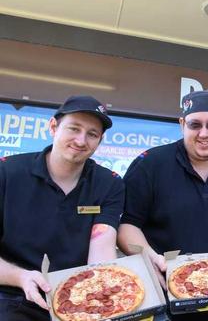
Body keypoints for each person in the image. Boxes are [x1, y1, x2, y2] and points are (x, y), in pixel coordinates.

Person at [117, 90, 208, 321]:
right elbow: (127, 226)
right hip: (163, 297)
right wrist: (151, 258)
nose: (204, 134)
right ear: (182, 124)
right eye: (195, 124)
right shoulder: (149, 164)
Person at [0, 95, 124, 320]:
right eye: (74, 129)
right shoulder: (7, 173)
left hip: (78, 297)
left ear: (100, 140)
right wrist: (20, 277)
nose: (81, 140)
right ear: (53, 127)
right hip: (11, 292)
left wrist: (102, 294)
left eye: (92, 134)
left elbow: (102, 250)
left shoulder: (109, 184)